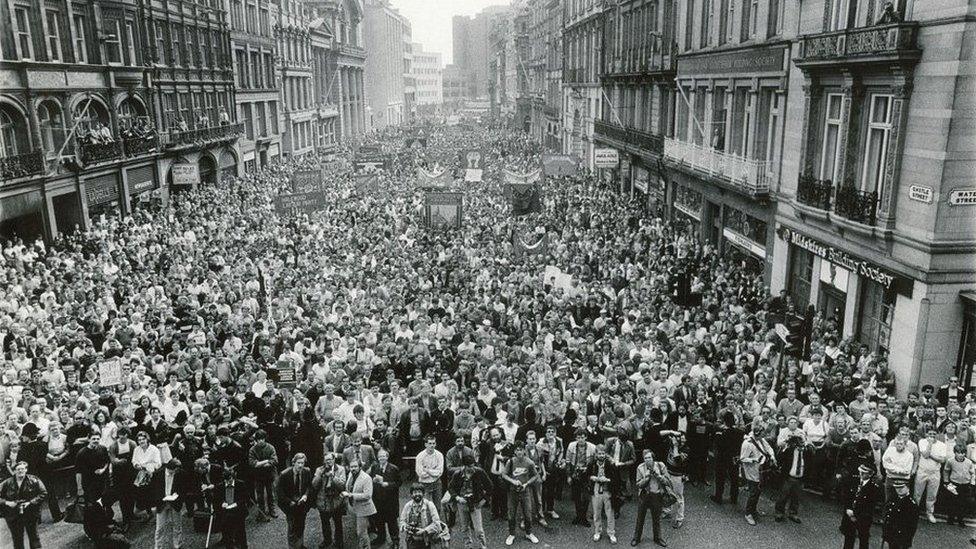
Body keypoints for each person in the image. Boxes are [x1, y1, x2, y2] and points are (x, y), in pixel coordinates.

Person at [445, 453, 491, 549]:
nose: (472, 467)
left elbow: (490, 486)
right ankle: (468, 546)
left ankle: (483, 546)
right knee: (464, 528)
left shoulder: (479, 472)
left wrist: (484, 500)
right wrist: (457, 498)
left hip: (475, 503)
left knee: (478, 530)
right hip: (462, 503)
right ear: (464, 466)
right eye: (470, 466)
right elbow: (450, 487)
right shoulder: (457, 474)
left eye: (473, 465)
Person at [500, 441, 540, 546]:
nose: (519, 452)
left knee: (527, 514)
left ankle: (529, 533)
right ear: (514, 451)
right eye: (517, 450)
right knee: (511, 514)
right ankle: (511, 534)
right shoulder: (511, 462)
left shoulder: (529, 462)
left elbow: (535, 476)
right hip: (512, 492)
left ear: (524, 450)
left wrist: (527, 484)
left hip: (525, 491)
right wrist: (513, 481)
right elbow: (504, 474)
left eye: (521, 449)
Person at [0, 461, 47, 549]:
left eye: (22, 469)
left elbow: (43, 493)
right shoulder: (7, 483)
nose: (20, 471)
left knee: (34, 537)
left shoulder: (34, 480)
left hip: (30, 512)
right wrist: (7, 503)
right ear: (14, 471)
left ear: (26, 470)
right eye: (18, 469)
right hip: (13, 515)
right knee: (17, 539)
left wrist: (31, 502)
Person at [740, 418, 776, 526]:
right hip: (752, 471)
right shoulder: (748, 443)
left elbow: (768, 447)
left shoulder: (760, 439)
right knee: (753, 493)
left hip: (761, 469)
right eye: (762, 435)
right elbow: (742, 458)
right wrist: (754, 460)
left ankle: (753, 509)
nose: (764, 437)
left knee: (758, 491)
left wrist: (772, 456)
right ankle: (748, 513)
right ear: (757, 434)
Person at [631, 449, 668, 548]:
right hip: (644, 495)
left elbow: (667, 481)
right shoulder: (640, 468)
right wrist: (646, 478)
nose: (647, 460)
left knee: (656, 519)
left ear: (653, 458)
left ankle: (658, 538)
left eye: (649, 458)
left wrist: (658, 476)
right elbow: (638, 484)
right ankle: (636, 538)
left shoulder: (661, 466)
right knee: (640, 518)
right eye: (645, 458)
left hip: (656, 495)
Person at [277, 453, 313, 549]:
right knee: (292, 527)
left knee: (301, 525)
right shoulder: (284, 474)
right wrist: (289, 502)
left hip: (302, 504)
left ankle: (300, 545)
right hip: (290, 505)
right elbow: (279, 493)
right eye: (298, 463)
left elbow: (309, 486)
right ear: (293, 462)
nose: (301, 465)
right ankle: (293, 547)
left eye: (302, 463)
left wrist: (305, 495)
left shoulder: (307, 471)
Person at [839, 463, 879, 549]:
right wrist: (848, 509)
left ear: (870, 474)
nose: (861, 474)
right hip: (850, 515)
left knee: (863, 540)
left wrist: (855, 515)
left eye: (864, 473)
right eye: (860, 472)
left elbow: (869, 507)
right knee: (848, 538)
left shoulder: (873, 488)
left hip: (863, 518)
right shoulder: (854, 482)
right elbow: (847, 497)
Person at [369, 448, 401, 548]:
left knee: (392, 523)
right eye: (380, 456)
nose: (381, 458)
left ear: (387, 457)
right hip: (378, 499)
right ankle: (381, 537)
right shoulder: (375, 467)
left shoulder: (394, 468)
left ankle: (395, 540)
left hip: (390, 500)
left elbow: (399, 483)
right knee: (379, 520)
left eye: (383, 456)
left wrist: (388, 484)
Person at [152, 456, 185, 549]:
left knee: (177, 526)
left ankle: (177, 545)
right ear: (169, 468)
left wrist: (178, 496)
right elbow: (153, 491)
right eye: (173, 471)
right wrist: (154, 505)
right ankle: (158, 547)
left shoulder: (180, 473)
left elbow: (184, 489)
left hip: (175, 503)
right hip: (161, 503)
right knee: (160, 527)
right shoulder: (158, 474)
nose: (174, 473)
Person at [343, 459, 376, 549]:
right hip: (353, 507)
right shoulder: (350, 474)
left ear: (360, 467)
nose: (353, 468)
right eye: (351, 467)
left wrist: (350, 495)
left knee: (361, 532)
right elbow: (349, 487)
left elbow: (368, 495)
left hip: (364, 508)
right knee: (359, 531)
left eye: (355, 466)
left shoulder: (366, 478)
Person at [587, 443, 617, 543]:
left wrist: (607, 479)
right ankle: (597, 531)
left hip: (608, 489)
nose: (601, 456)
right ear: (596, 454)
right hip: (596, 489)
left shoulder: (610, 464)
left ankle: (611, 533)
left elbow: (616, 479)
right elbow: (587, 476)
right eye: (599, 454)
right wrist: (593, 478)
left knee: (609, 512)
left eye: (603, 453)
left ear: (606, 454)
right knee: (597, 512)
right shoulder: (591, 463)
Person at [248, 428, 279, 521]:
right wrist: (266, 461)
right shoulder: (252, 450)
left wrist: (260, 464)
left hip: (270, 474)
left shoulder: (270, 447)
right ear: (256, 440)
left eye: (262, 439)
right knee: (260, 495)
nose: (260, 441)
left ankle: (272, 509)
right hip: (258, 476)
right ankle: (261, 511)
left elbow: (275, 460)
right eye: (258, 439)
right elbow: (252, 463)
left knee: (271, 493)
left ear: (265, 438)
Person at [400, 483, 442, 549]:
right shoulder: (407, 506)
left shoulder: (429, 505)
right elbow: (402, 521)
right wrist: (404, 526)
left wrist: (424, 530)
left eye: (419, 492)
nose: (417, 494)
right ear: (411, 494)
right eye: (415, 492)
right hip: (412, 541)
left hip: (427, 541)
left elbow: (437, 523)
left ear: (423, 494)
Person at [881, 480, 918, 549]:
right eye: (897, 488)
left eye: (901, 488)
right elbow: (887, 516)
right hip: (891, 535)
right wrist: (885, 534)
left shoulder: (911, 504)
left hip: (901, 537)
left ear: (908, 488)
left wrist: (907, 540)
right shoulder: (893, 499)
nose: (899, 490)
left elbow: (912, 525)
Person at [415, 435, 445, 513]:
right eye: (430, 443)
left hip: (436, 483)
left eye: (433, 443)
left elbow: (439, 472)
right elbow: (420, 474)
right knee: (425, 507)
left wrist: (427, 470)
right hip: (424, 484)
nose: (432, 445)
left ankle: (437, 523)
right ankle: (426, 524)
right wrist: (433, 472)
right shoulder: (420, 456)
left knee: (438, 507)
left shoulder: (439, 455)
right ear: (426, 444)